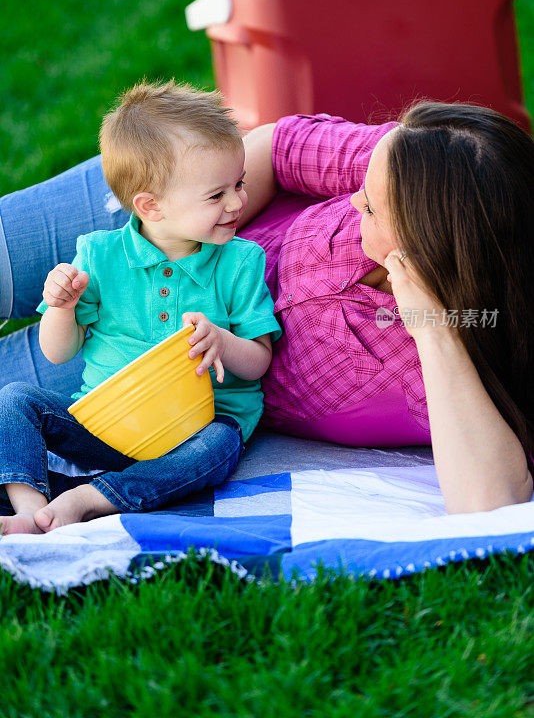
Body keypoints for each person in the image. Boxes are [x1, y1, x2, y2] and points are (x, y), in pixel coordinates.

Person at [0, 101, 532, 516]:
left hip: (158, 371)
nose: (352, 200)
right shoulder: (421, 159)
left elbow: (489, 504)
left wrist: (434, 329)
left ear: (424, 246)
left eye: (368, 207)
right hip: (178, 195)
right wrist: (180, 237)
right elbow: (282, 147)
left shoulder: (444, 354)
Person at [0, 80, 282, 534]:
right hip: (103, 427)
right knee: (14, 399)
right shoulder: (98, 255)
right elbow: (58, 353)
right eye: (217, 195)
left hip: (196, 429)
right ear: (150, 206)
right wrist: (60, 308)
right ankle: (29, 508)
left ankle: (89, 500)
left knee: (218, 448)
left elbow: (259, 363)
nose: (237, 202)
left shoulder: (240, 261)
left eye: (239, 184)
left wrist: (222, 342)